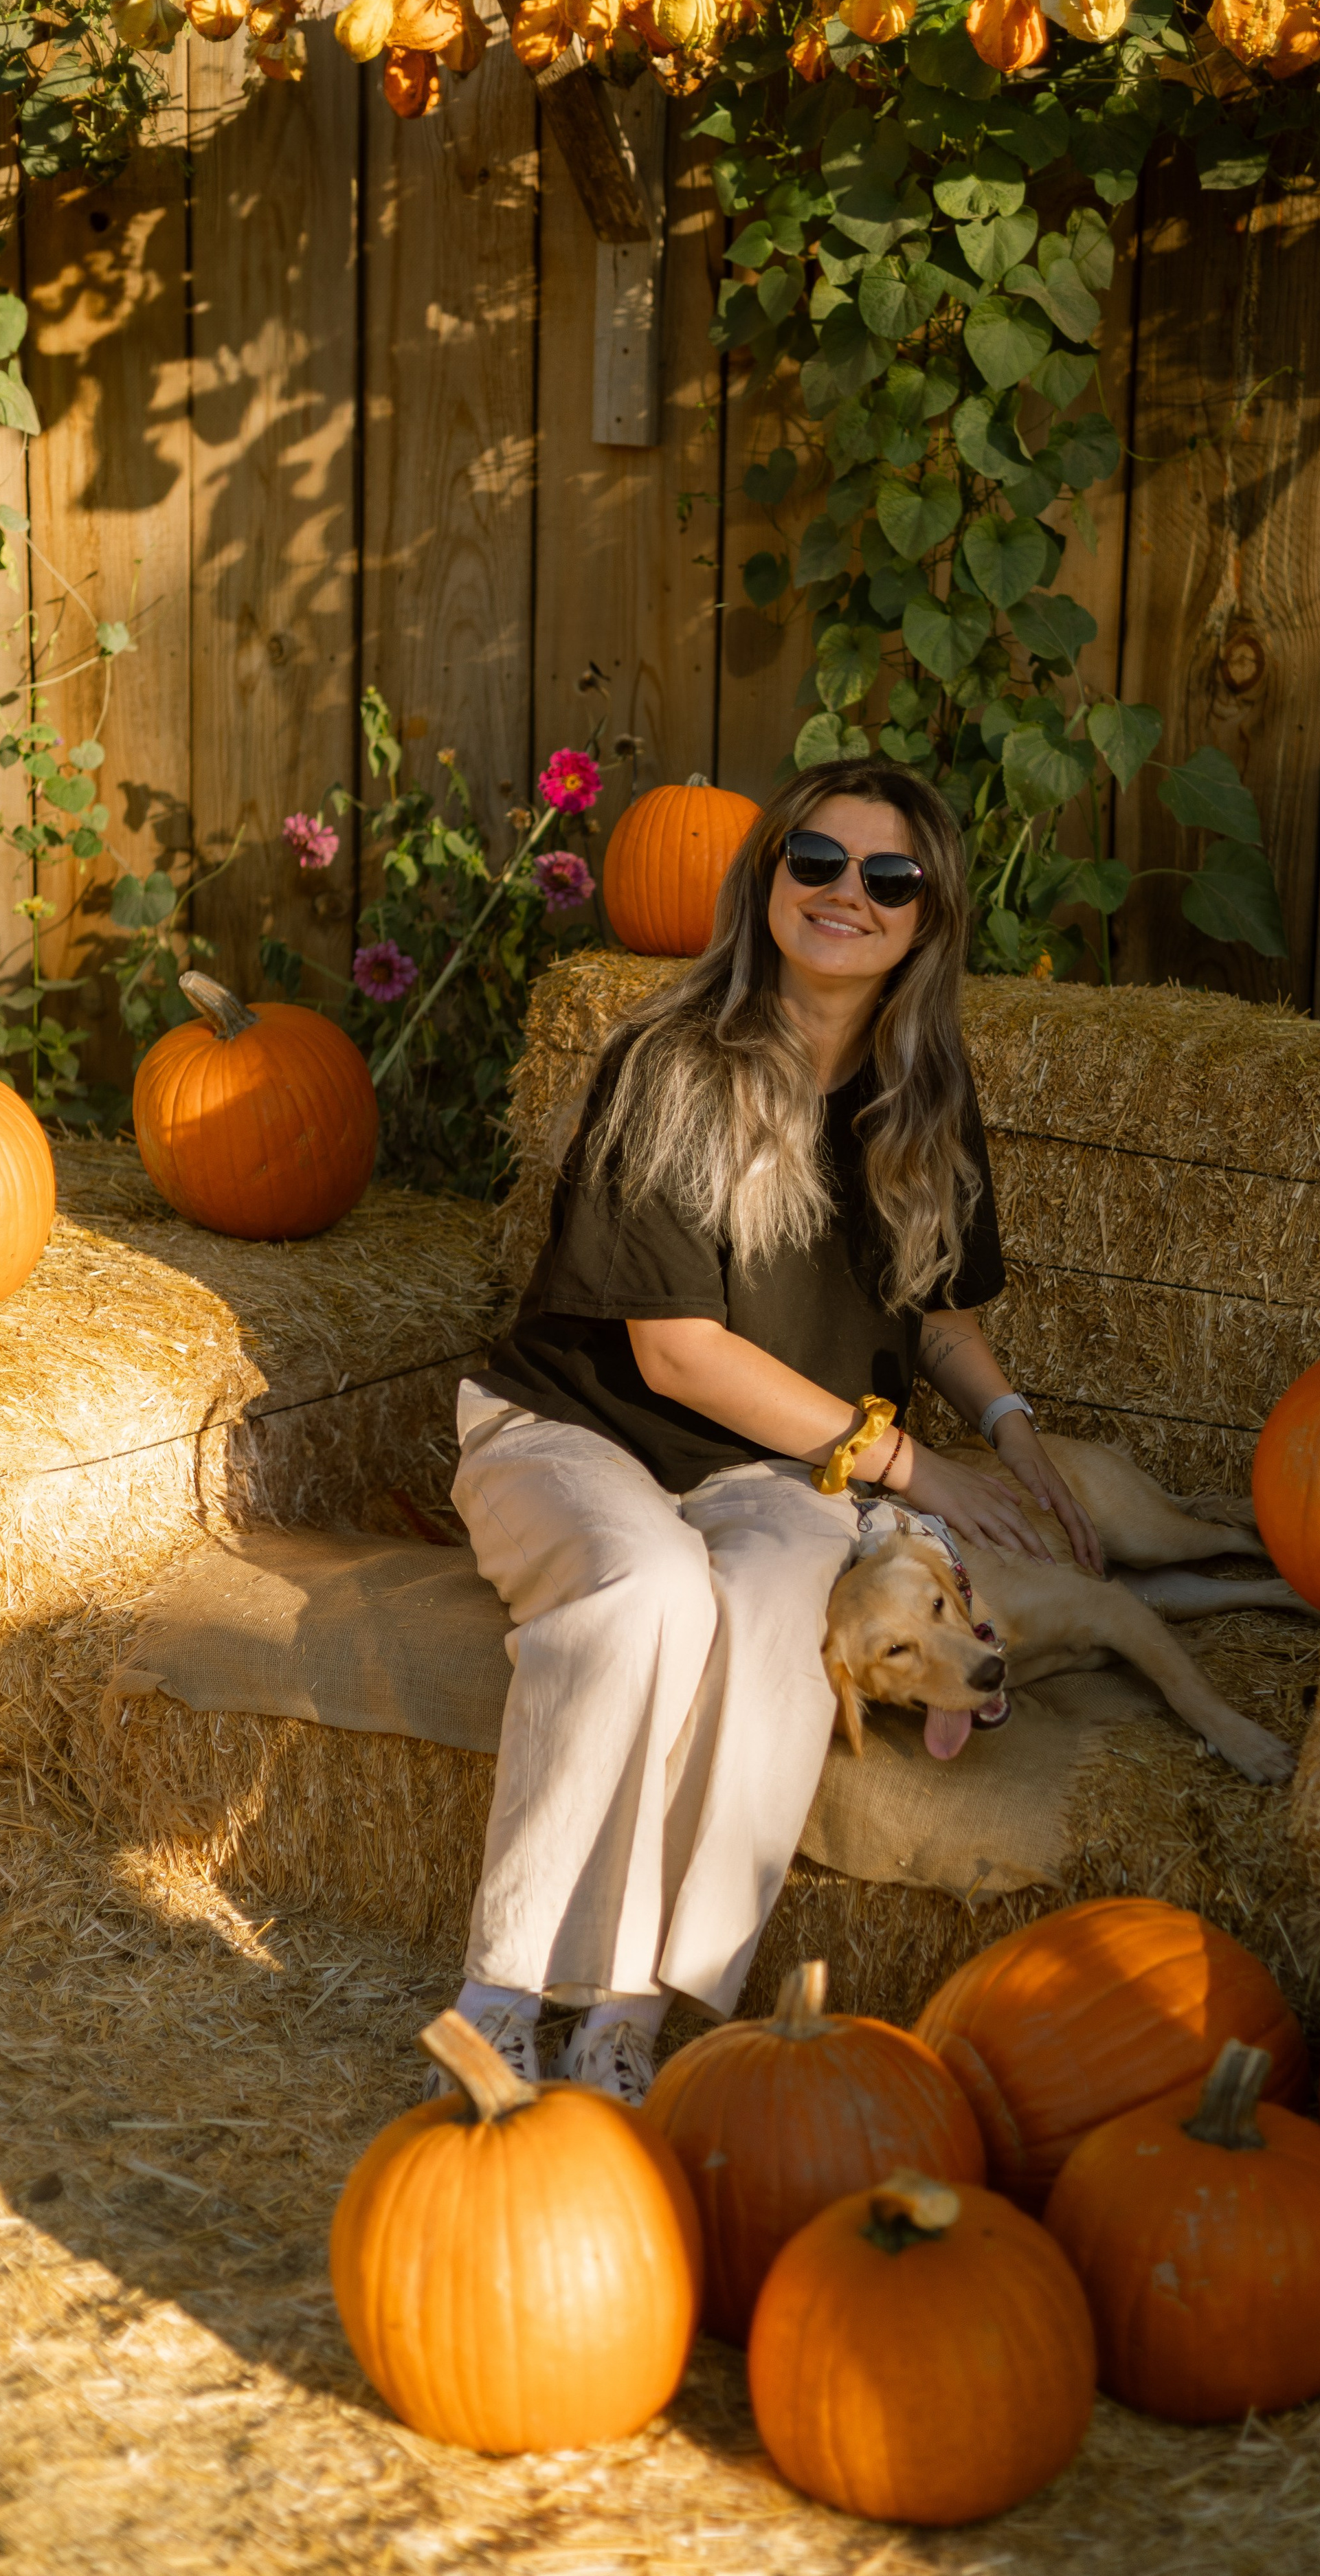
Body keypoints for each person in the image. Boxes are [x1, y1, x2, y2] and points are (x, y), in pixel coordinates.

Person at [443, 758, 1102, 2103]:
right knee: (644, 1598)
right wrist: (910, 1462)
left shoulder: (922, 1090)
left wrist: (1013, 1430)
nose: (845, 893)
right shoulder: (674, 1059)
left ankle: (638, 2012)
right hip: (576, 1433)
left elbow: (934, 1313)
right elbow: (672, 1350)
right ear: (767, 879)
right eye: (815, 860)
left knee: (765, 1618)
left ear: (927, 916)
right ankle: (501, 1998)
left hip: (780, 1470)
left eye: (888, 875)